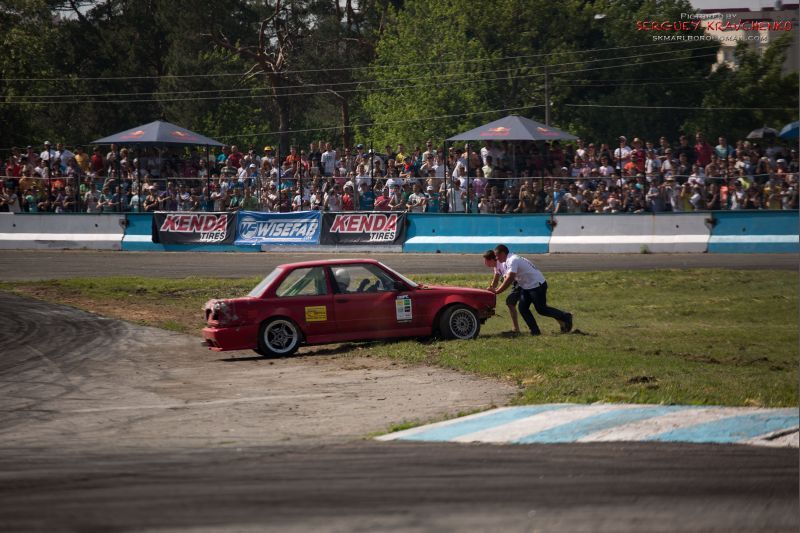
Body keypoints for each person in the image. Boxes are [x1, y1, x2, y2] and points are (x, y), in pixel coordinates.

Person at [491, 244, 572, 336]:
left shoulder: (513, 260)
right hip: (527, 286)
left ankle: (565, 316)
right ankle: (535, 331)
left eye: (497, 256)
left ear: (503, 253)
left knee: (541, 309)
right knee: (523, 308)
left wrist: (497, 291)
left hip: (537, 285)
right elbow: (507, 278)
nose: (496, 258)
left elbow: (510, 278)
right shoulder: (507, 261)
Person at [483, 249, 521, 335]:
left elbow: (508, 279)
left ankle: (516, 329)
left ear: (493, 259)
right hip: (517, 283)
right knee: (511, 303)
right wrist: (491, 288)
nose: (485, 263)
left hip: (520, 283)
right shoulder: (496, 266)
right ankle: (516, 329)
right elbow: (496, 279)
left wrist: (496, 290)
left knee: (511, 302)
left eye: (486, 261)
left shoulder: (502, 263)